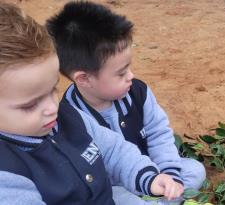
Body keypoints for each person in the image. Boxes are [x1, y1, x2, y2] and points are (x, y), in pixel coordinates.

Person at [0, 2, 184, 205]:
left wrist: (148, 178)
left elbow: (114, 150)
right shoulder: (7, 176)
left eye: (53, 90)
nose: (53, 108)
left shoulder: (69, 117)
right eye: (30, 105)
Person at [46, 1, 205, 204]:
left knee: (195, 171)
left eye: (128, 68)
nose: (131, 76)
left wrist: (169, 175)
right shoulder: (72, 117)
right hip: (114, 186)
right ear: (84, 79)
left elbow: (159, 134)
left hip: (151, 174)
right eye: (121, 73)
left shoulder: (137, 92)